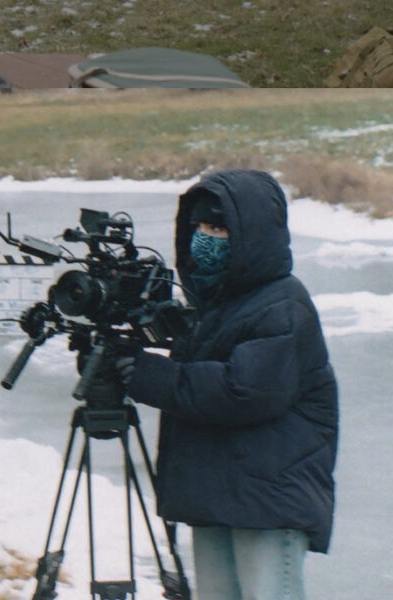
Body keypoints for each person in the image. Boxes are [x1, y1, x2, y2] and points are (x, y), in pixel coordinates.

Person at [116, 169, 338, 600]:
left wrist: (147, 375)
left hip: (268, 499)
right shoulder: (213, 303)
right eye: (198, 227)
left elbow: (242, 392)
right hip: (217, 491)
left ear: (250, 237)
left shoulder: (283, 305)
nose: (205, 238)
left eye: (218, 228)